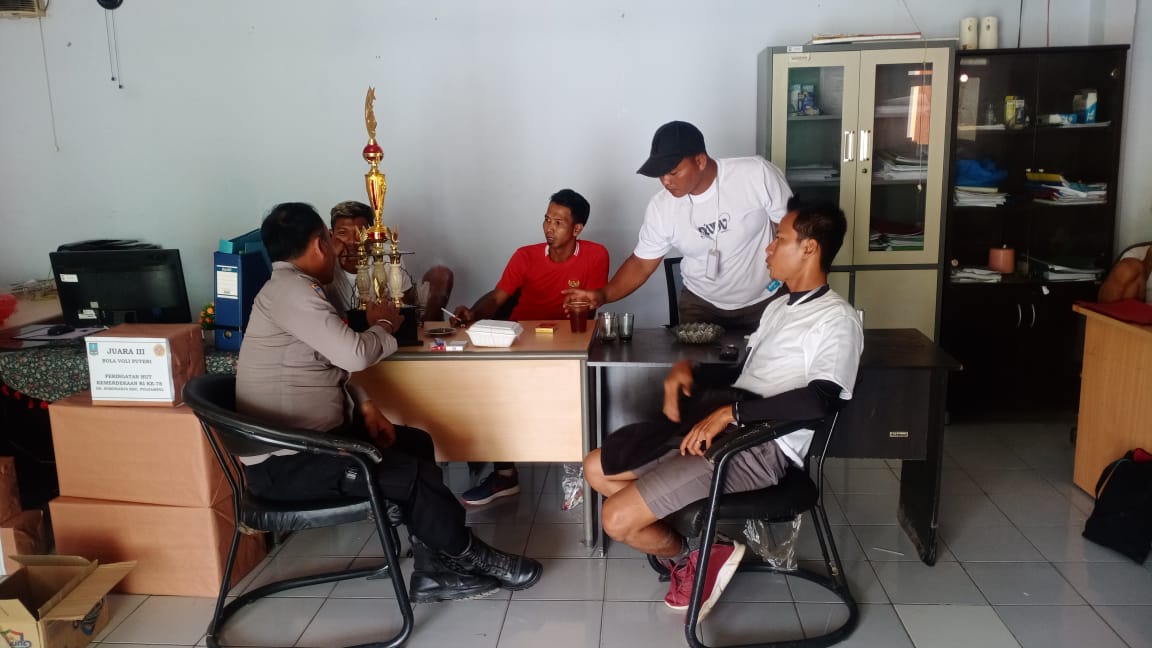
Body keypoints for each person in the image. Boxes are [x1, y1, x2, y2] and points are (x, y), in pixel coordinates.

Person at [236, 202, 542, 603]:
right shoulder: (294, 292)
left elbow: (328, 366)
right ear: (319, 244)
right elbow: (354, 355)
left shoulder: (290, 289)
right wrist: (384, 323)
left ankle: (433, 571)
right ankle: (472, 556)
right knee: (410, 475)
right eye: (331, 237)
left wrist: (364, 404)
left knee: (414, 443)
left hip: (312, 445)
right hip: (289, 463)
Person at [583, 201, 862, 621]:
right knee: (596, 468)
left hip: (762, 447)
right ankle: (703, 553)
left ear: (809, 248)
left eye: (779, 239)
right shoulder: (779, 308)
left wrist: (733, 413)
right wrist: (690, 371)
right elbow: (747, 373)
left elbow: (823, 398)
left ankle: (696, 557)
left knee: (615, 519)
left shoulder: (836, 319)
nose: (768, 248)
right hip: (726, 429)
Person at [452, 188, 609, 505]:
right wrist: (474, 313)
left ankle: (578, 474)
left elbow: (590, 311)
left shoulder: (596, 255)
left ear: (577, 229)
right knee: (491, 392)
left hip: (567, 343)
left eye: (559, 222)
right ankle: (504, 476)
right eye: (547, 219)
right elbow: (498, 297)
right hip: (521, 340)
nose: (549, 228)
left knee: (575, 393)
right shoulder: (525, 256)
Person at [563, 120, 793, 331]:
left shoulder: (756, 175)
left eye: (673, 172)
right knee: (695, 364)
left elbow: (794, 234)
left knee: (770, 363)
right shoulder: (662, 207)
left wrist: (799, 289)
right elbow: (641, 264)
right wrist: (603, 295)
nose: (665, 181)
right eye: (660, 175)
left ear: (700, 161)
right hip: (701, 305)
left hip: (766, 300)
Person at [326, 200, 455, 323]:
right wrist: (330, 259)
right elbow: (315, 296)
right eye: (342, 233)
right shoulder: (323, 259)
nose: (352, 241)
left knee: (441, 275)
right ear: (331, 234)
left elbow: (404, 304)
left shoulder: (387, 255)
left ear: (371, 235)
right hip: (340, 327)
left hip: (384, 321)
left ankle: (431, 330)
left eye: (360, 232)